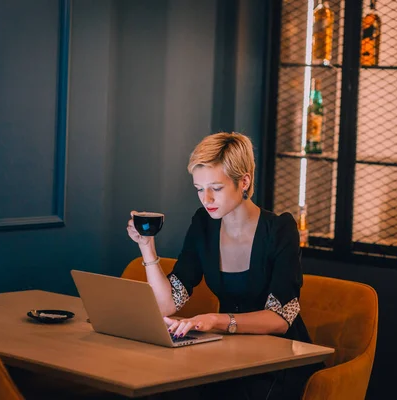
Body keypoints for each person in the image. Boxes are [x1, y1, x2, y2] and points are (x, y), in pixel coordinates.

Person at [126, 132, 324, 400]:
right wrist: (146, 246)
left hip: (280, 361)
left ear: (244, 181)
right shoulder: (204, 225)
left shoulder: (280, 229)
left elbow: (280, 319)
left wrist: (216, 320)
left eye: (216, 188)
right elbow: (167, 304)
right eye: (199, 189)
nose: (206, 199)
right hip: (229, 355)